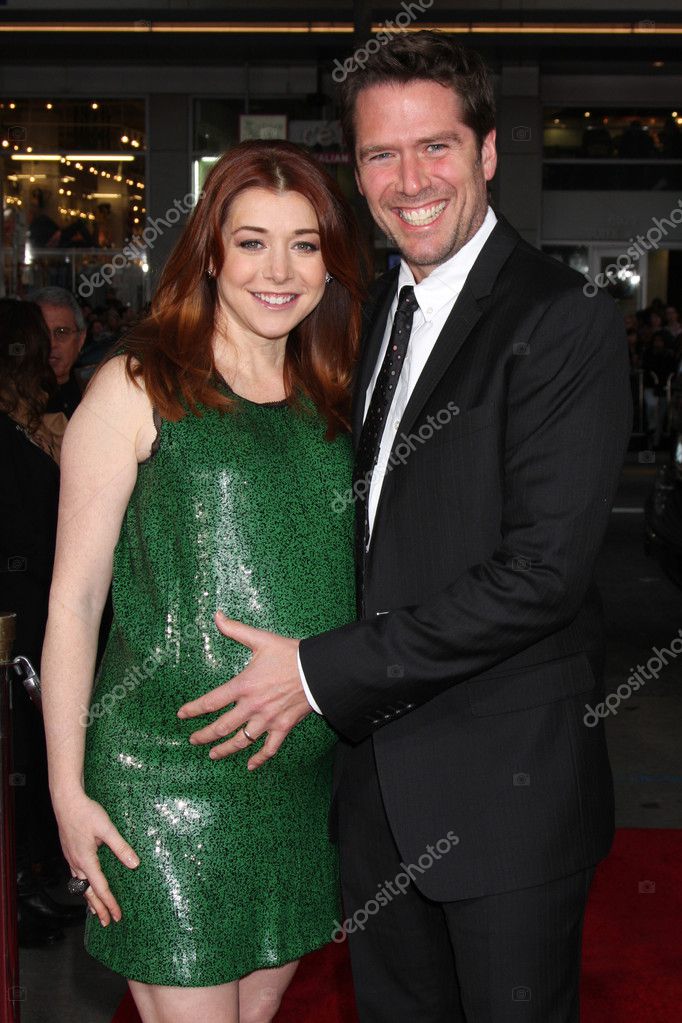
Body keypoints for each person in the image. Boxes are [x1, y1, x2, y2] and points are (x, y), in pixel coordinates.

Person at [179, 32, 633, 1023]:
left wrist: (315, 671)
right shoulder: (367, 307)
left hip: (505, 794)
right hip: (374, 793)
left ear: (488, 152)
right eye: (381, 154)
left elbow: (541, 573)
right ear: (357, 171)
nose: (410, 179)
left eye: (435, 147)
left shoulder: (563, 319)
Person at [41, 140, 364, 1023]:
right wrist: (66, 792)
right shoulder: (137, 384)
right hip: (161, 776)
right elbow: (73, 602)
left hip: (297, 784)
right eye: (252, 241)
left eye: (304, 244)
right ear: (211, 253)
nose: (279, 270)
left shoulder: (335, 392)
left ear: (330, 261)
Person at [0, 299, 81, 946]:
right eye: (39, 338)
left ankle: (32, 875)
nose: (50, 349)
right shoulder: (11, 435)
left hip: (40, 612)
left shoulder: (47, 418)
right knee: (17, 751)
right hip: (18, 613)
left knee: (29, 745)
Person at [28, 286, 87, 419]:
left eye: (61, 332)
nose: (51, 343)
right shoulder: (13, 400)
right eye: (42, 332)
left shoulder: (94, 391)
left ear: (81, 339)